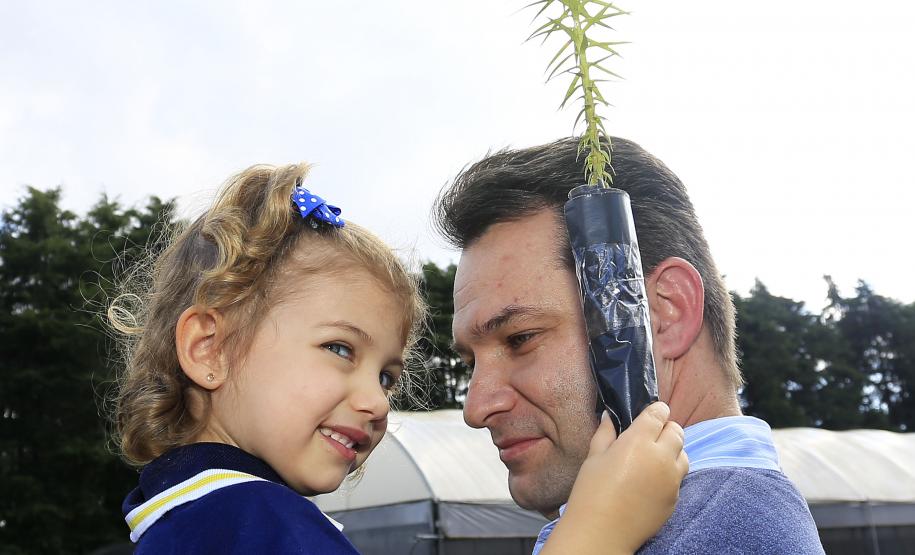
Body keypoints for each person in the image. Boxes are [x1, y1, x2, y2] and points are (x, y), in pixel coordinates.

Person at [109, 162, 687, 554]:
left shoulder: (180, 519)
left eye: (386, 376)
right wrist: (595, 532)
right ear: (209, 349)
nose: (376, 402)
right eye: (340, 348)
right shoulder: (253, 523)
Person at [435, 137, 826, 554]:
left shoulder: (714, 539)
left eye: (520, 339)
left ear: (665, 314)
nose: (476, 409)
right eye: (471, 360)